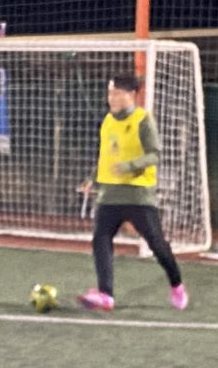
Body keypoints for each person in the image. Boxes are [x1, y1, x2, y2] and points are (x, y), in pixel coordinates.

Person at [77, 74, 188, 311]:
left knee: (157, 244)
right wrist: (92, 180)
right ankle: (106, 294)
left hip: (138, 195)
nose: (111, 98)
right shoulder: (108, 121)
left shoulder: (143, 120)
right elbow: (105, 157)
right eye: (109, 93)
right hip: (109, 195)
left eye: (116, 93)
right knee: (101, 239)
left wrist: (130, 166)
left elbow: (155, 154)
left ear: (131, 95)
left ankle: (177, 284)